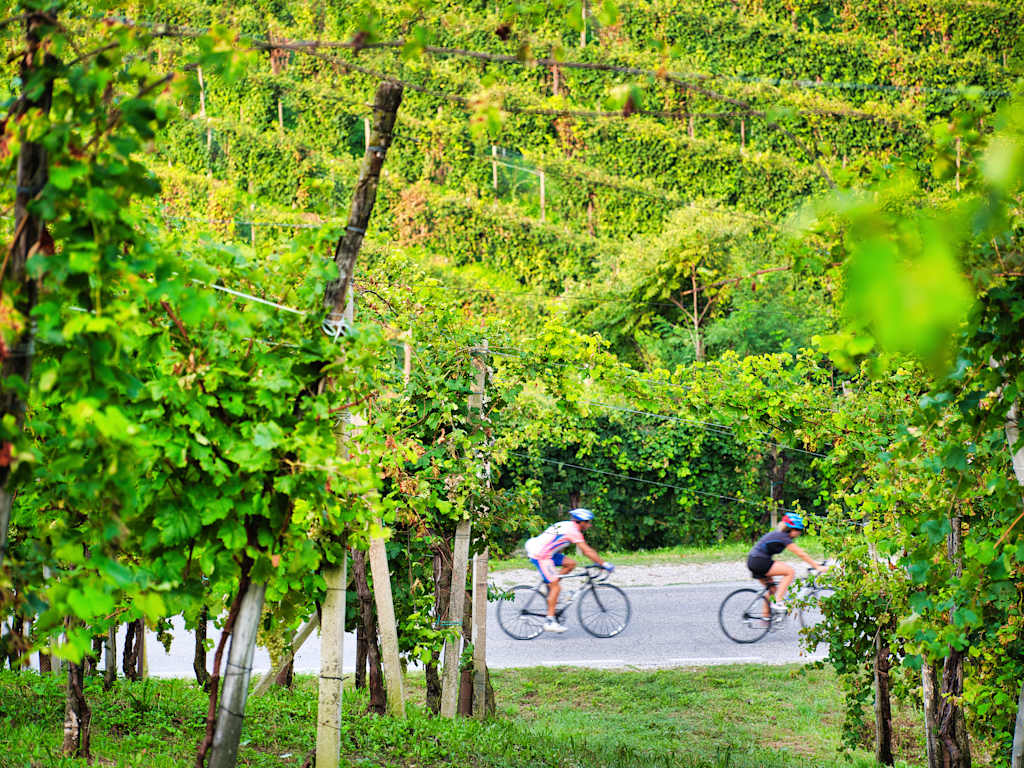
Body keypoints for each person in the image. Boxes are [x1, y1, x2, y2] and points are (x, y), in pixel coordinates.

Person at [524, 508, 614, 633]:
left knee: (571, 564)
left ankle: (550, 586)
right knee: (556, 588)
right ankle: (550, 622)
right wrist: (603, 563)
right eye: (588, 522)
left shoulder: (566, 524)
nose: (590, 525)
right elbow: (587, 551)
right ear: (581, 522)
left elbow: (556, 542)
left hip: (543, 549)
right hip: (541, 555)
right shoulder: (573, 532)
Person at [746, 512, 825, 615]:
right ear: (790, 529)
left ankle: (765, 618)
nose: (799, 533)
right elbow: (800, 553)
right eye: (798, 530)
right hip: (759, 561)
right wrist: (816, 566)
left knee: (772, 590)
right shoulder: (783, 537)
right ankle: (778, 601)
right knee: (790, 572)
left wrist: (816, 564)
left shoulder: (781, 535)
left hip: (754, 560)